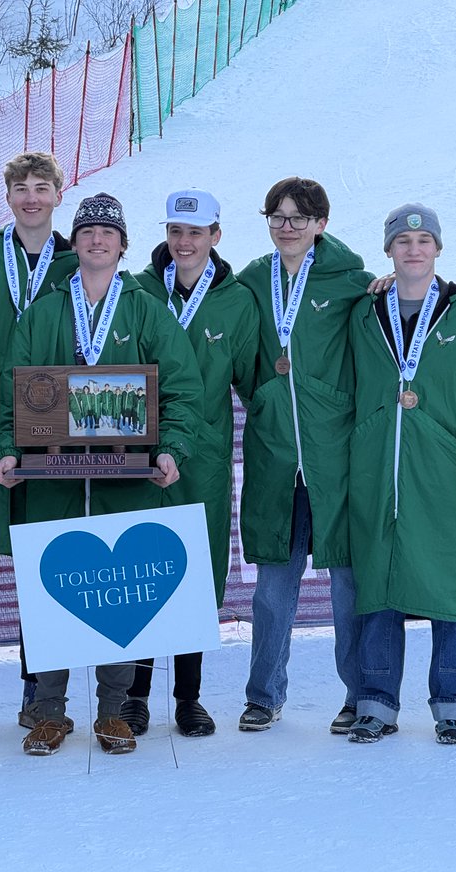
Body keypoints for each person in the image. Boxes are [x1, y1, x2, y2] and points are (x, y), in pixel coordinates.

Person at [0, 192, 204, 756]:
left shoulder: (144, 309)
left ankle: (113, 711)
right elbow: (9, 392)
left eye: (107, 233)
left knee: (120, 594)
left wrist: (171, 450)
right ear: (76, 240)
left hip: (126, 478)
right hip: (53, 477)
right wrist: (7, 450)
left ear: (123, 244)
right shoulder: (43, 312)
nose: (96, 240)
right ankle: (50, 710)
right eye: (86, 231)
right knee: (52, 590)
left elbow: (181, 389)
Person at [346, 204, 456, 745]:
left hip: (450, 473)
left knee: (453, 587)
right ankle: (376, 704)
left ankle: (452, 705)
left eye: (424, 241)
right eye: (403, 241)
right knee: (378, 588)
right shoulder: (364, 312)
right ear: (389, 250)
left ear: (439, 249)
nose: (414, 249)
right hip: (379, 473)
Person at [236, 177, 374, 734]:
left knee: (347, 585)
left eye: (298, 217)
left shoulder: (352, 282)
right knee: (272, 590)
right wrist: (266, 396)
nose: (286, 227)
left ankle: (360, 695)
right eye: (277, 216)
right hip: (275, 455)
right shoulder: (250, 279)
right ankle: (264, 694)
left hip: (332, 455)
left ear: (321, 223)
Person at [0, 152, 78, 733]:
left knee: (42, 561)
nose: (31, 197)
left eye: (42, 187)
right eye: (21, 188)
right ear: (7, 196)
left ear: (58, 194)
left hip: (54, 430)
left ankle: (38, 689)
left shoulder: (77, 261)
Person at [121, 188, 258, 738]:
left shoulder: (236, 301)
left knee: (192, 573)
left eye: (196, 233)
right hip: (138, 453)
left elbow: (253, 381)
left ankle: (188, 697)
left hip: (202, 456)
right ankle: (134, 694)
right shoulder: (135, 291)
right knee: (139, 567)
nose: (184, 242)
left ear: (215, 237)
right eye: (176, 231)